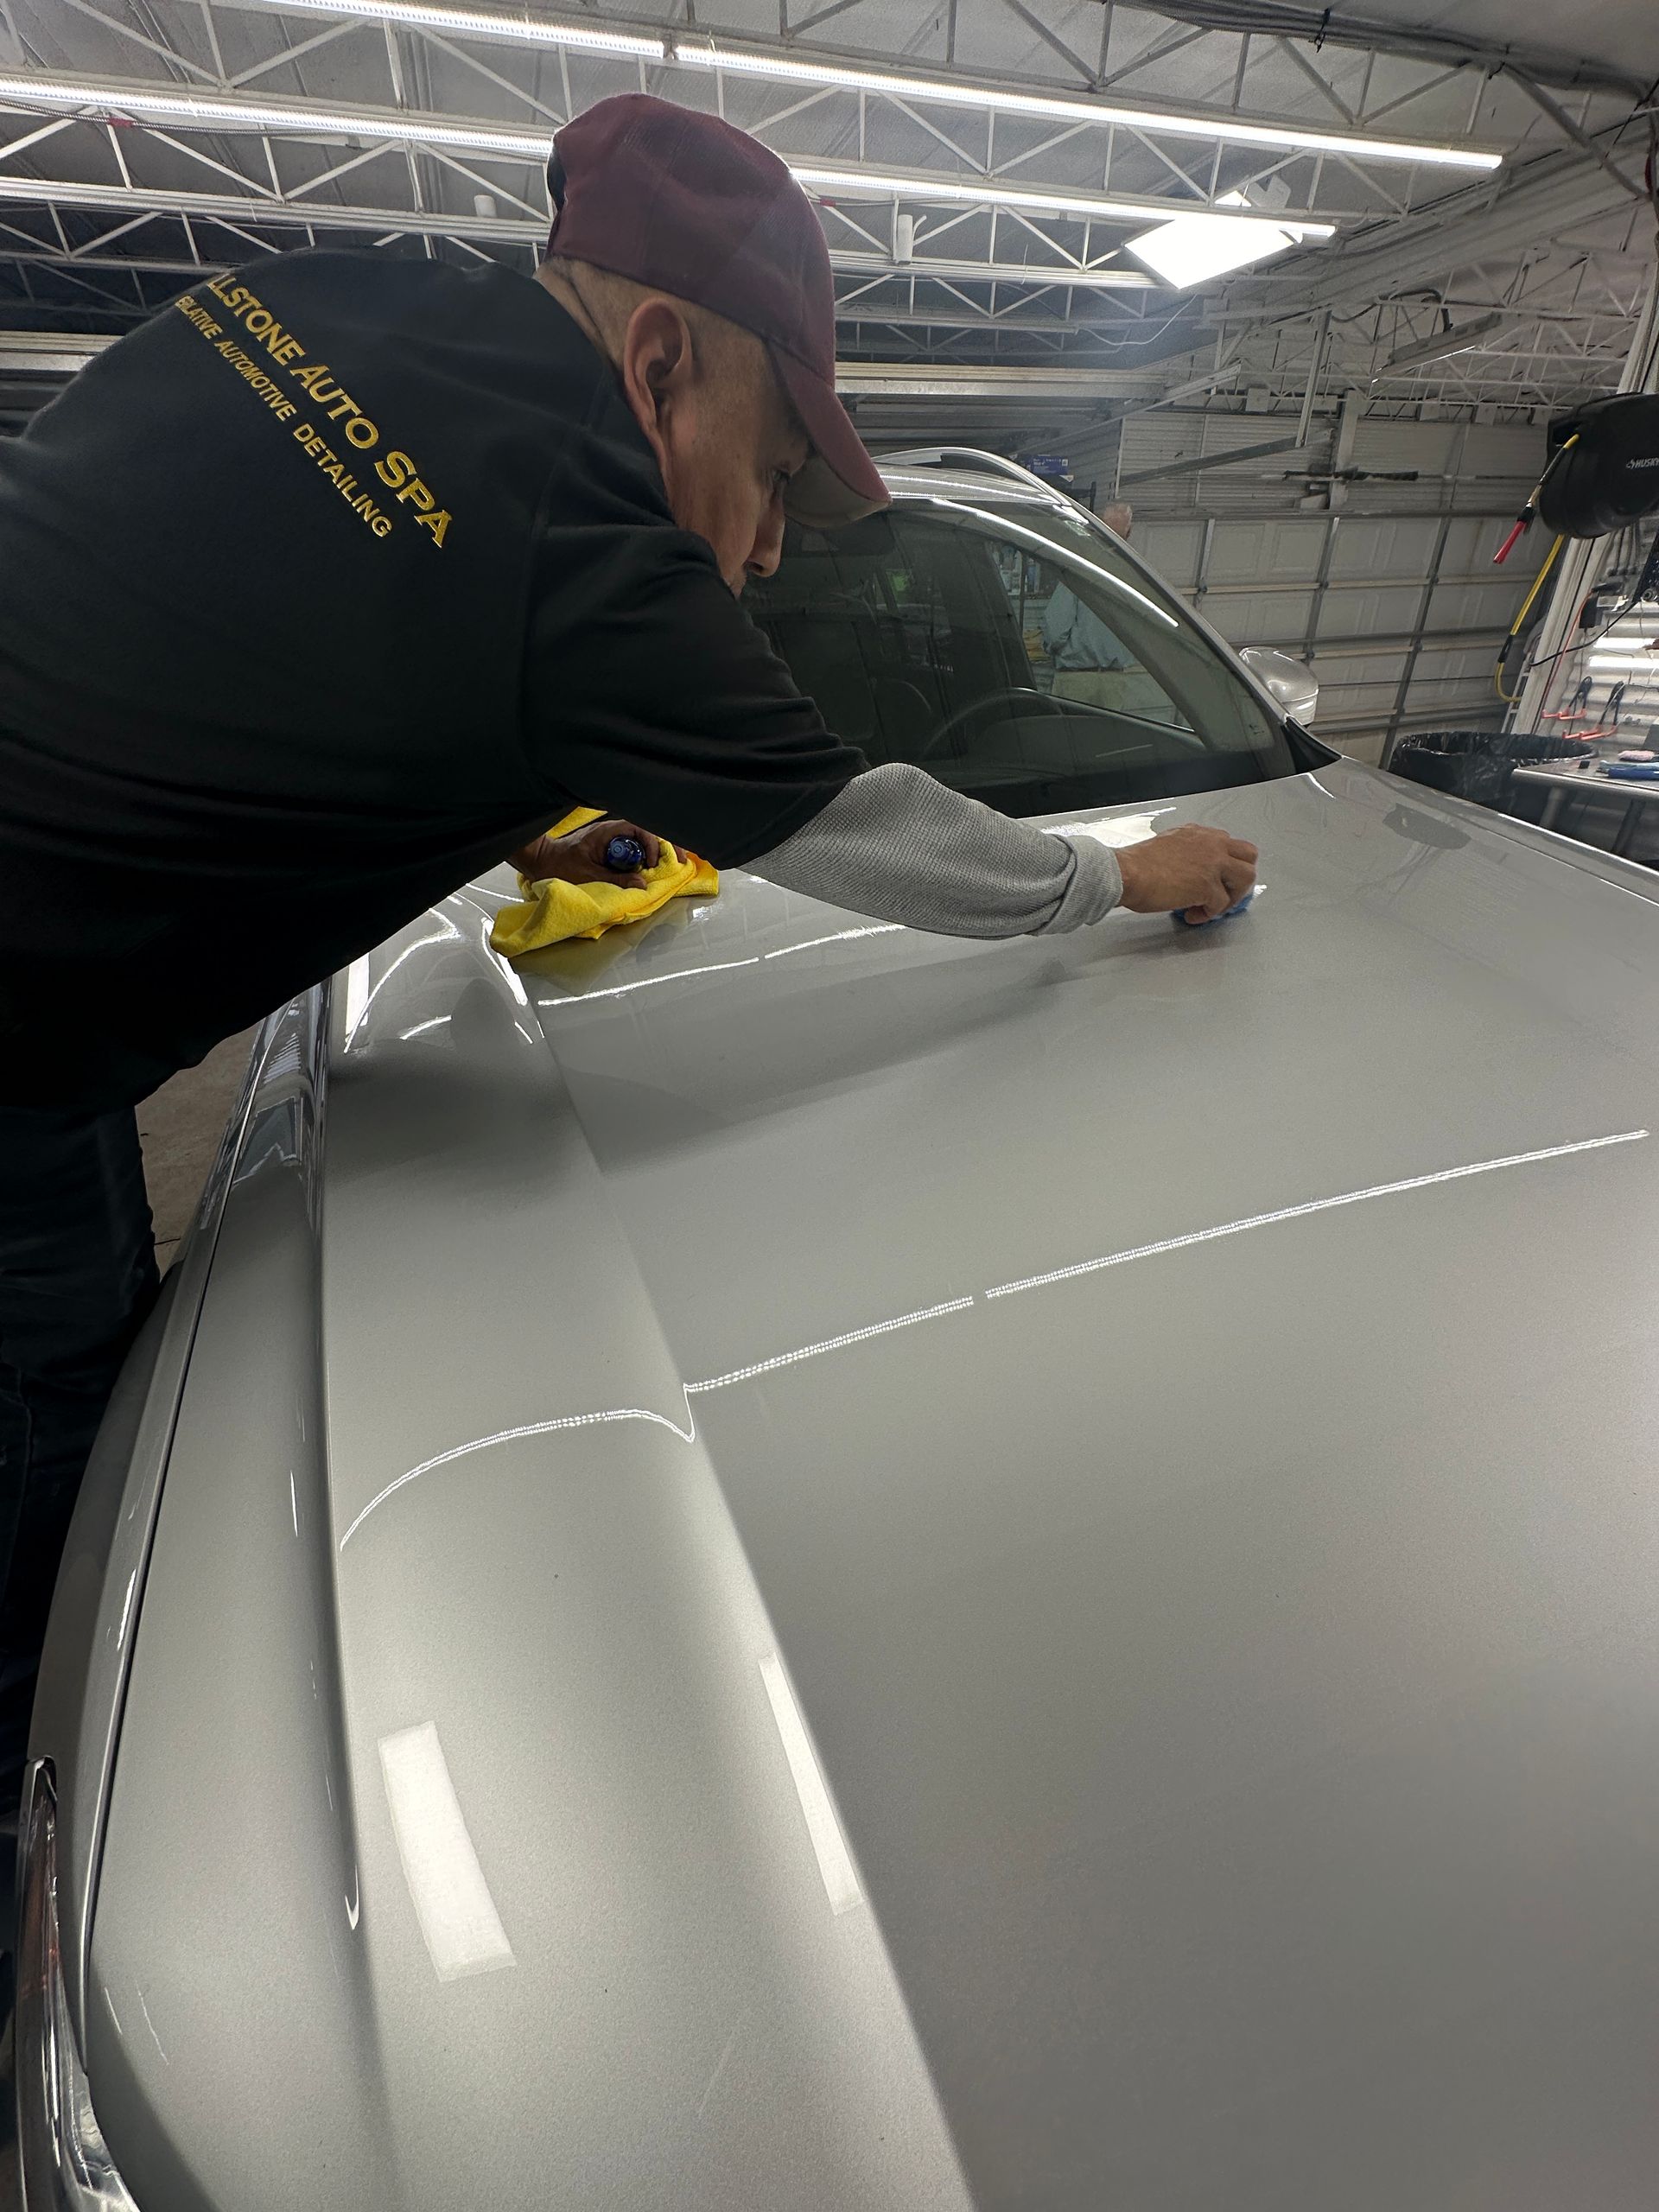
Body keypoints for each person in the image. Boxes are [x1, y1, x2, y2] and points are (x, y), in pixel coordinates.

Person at [0, 93, 1255, 1792]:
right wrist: (1119, 874)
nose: (751, 553)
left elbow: (225, 593)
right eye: (777, 481)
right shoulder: (590, 539)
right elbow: (863, 823)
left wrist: (489, 794)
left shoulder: (328, 294)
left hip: (49, 1007)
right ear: (661, 358)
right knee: (54, 1497)